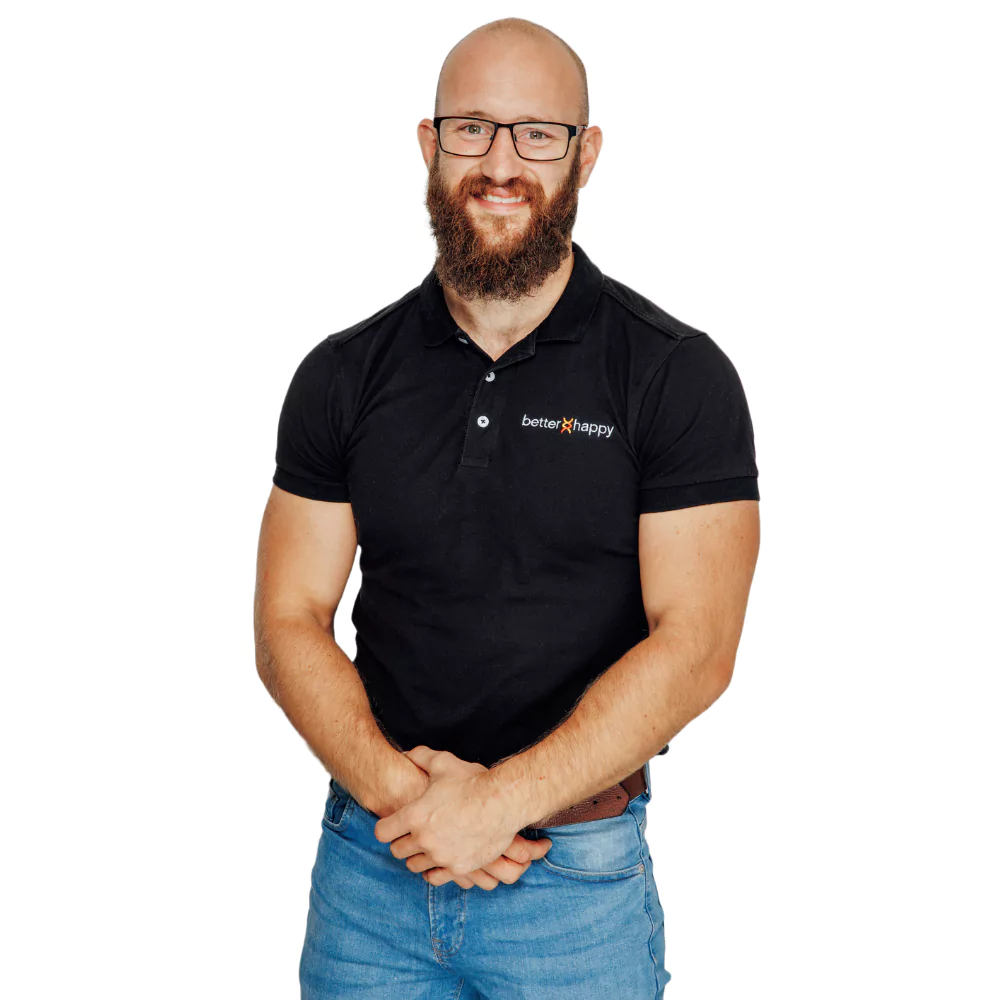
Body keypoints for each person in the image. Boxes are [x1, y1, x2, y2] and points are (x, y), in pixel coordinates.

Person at [254, 16, 760, 999]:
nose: (499, 163)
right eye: (471, 128)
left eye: (536, 133)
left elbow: (698, 646)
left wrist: (496, 805)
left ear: (585, 154)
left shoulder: (675, 375)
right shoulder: (342, 374)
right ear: (429, 143)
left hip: (573, 891)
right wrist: (414, 803)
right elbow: (287, 620)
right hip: (370, 875)